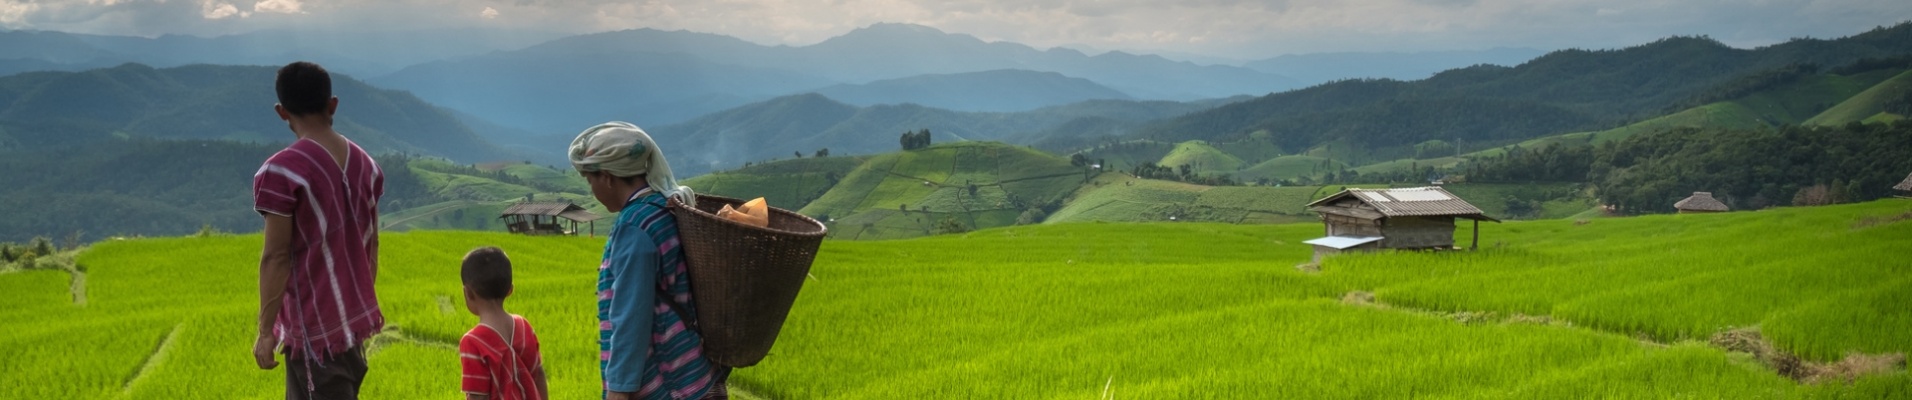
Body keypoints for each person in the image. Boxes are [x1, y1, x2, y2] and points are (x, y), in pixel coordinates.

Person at [251, 61, 385, 400]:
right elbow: (371, 247)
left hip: (314, 335)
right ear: (333, 105)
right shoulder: (366, 165)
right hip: (352, 328)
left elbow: (276, 256)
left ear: (282, 112)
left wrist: (266, 332)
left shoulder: (282, 172)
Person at [570, 121, 730, 400]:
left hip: (669, 386)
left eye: (590, 179)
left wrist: (618, 391)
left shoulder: (634, 227)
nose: (591, 188)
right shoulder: (667, 207)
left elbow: (631, 317)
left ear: (607, 177)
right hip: (698, 375)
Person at [458, 247, 550, 400]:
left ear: (467, 293)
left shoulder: (473, 342)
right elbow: (539, 374)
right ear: (510, 289)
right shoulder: (524, 326)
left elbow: (478, 397)